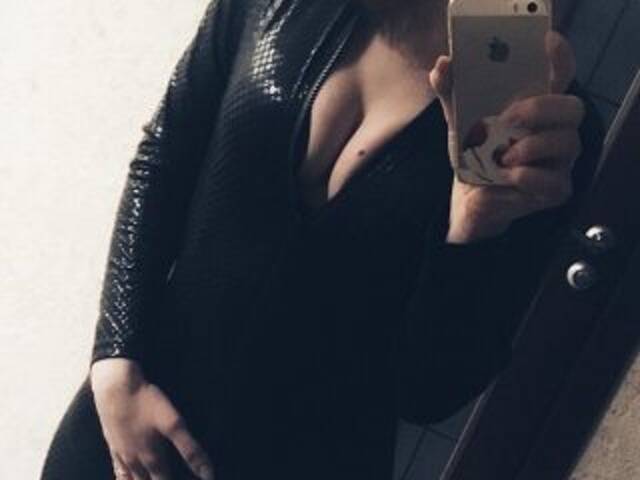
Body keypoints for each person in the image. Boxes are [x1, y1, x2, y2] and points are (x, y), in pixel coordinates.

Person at [40, 0, 605, 479]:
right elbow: (164, 158)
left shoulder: (545, 129)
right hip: (129, 432)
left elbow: (428, 390)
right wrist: (114, 359)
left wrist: (473, 233)